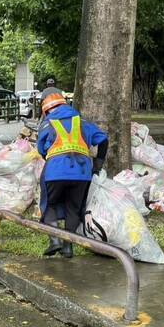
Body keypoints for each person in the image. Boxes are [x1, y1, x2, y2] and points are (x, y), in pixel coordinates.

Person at [37, 92, 108, 258]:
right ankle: (68, 247)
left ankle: (55, 241)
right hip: (82, 172)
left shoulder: (48, 123)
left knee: (50, 205)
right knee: (74, 208)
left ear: (47, 111)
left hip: (55, 171)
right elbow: (103, 140)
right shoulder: (81, 122)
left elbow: (41, 150)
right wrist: (98, 162)